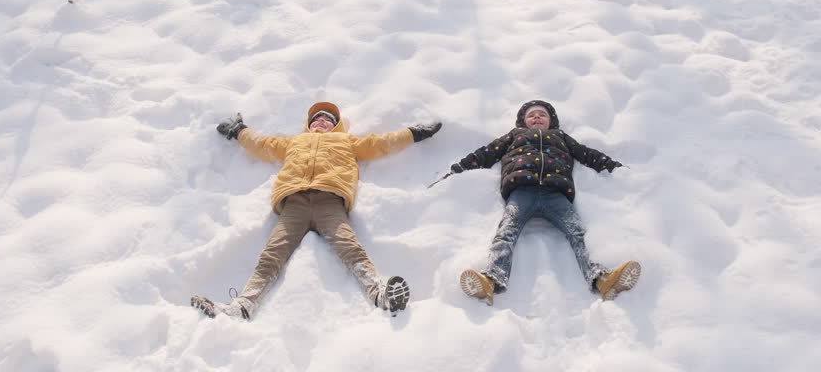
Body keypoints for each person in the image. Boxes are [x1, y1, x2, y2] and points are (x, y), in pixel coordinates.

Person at [191, 102, 442, 319]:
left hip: (329, 201)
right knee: (273, 253)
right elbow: (263, 146)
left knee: (349, 246)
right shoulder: (294, 142)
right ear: (309, 124)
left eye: (328, 119)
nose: (321, 121)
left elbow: (380, 143)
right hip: (294, 203)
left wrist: (413, 133)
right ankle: (243, 306)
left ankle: (381, 295)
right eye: (317, 119)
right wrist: (239, 131)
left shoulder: (347, 142)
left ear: (336, 125)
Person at [438, 100, 640, 305]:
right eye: (531, 115)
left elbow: (587, 154)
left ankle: (603, 280)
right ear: (523, 122)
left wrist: (615, 168)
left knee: (577, 232)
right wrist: (459, 169)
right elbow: (486, 153)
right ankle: (490, 279)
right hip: (521, 191)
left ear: (551, 121)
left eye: (542, 115)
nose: (537, 117)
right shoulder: (515, 136)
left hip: (555, 193)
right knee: (506, 232)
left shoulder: (560, 137)